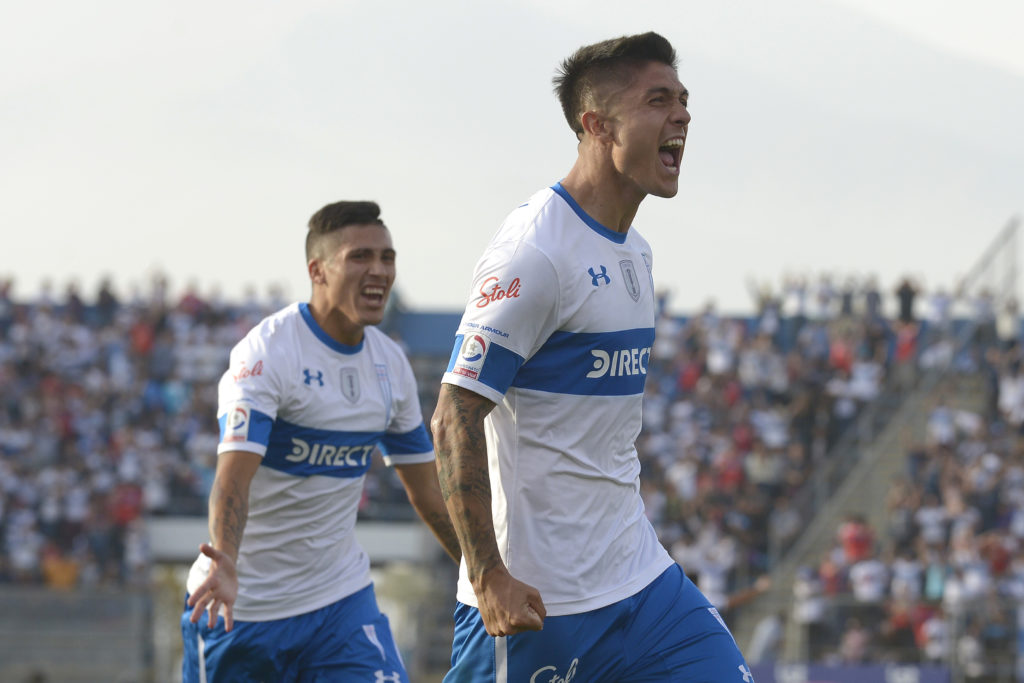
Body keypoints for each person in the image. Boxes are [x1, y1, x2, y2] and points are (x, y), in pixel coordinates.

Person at [431, 31, 752, 682]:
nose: (682, 115)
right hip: (543, 604)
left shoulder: (636, 252)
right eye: (658, 100)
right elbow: (452, 418)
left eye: (683, 99)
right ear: (597, 125)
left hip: (644, 585)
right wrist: (488, 575)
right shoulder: (534, 253)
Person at [180, 200, 460, 682]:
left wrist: (481, 570)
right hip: (242, 607)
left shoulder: (390, 363)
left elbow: (427, 487)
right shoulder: (268, 353)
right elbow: (232, 478)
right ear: (318, 270)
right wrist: (225, 557)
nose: (379, 270)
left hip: (339, 605)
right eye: (360, 257)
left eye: (387, 257)